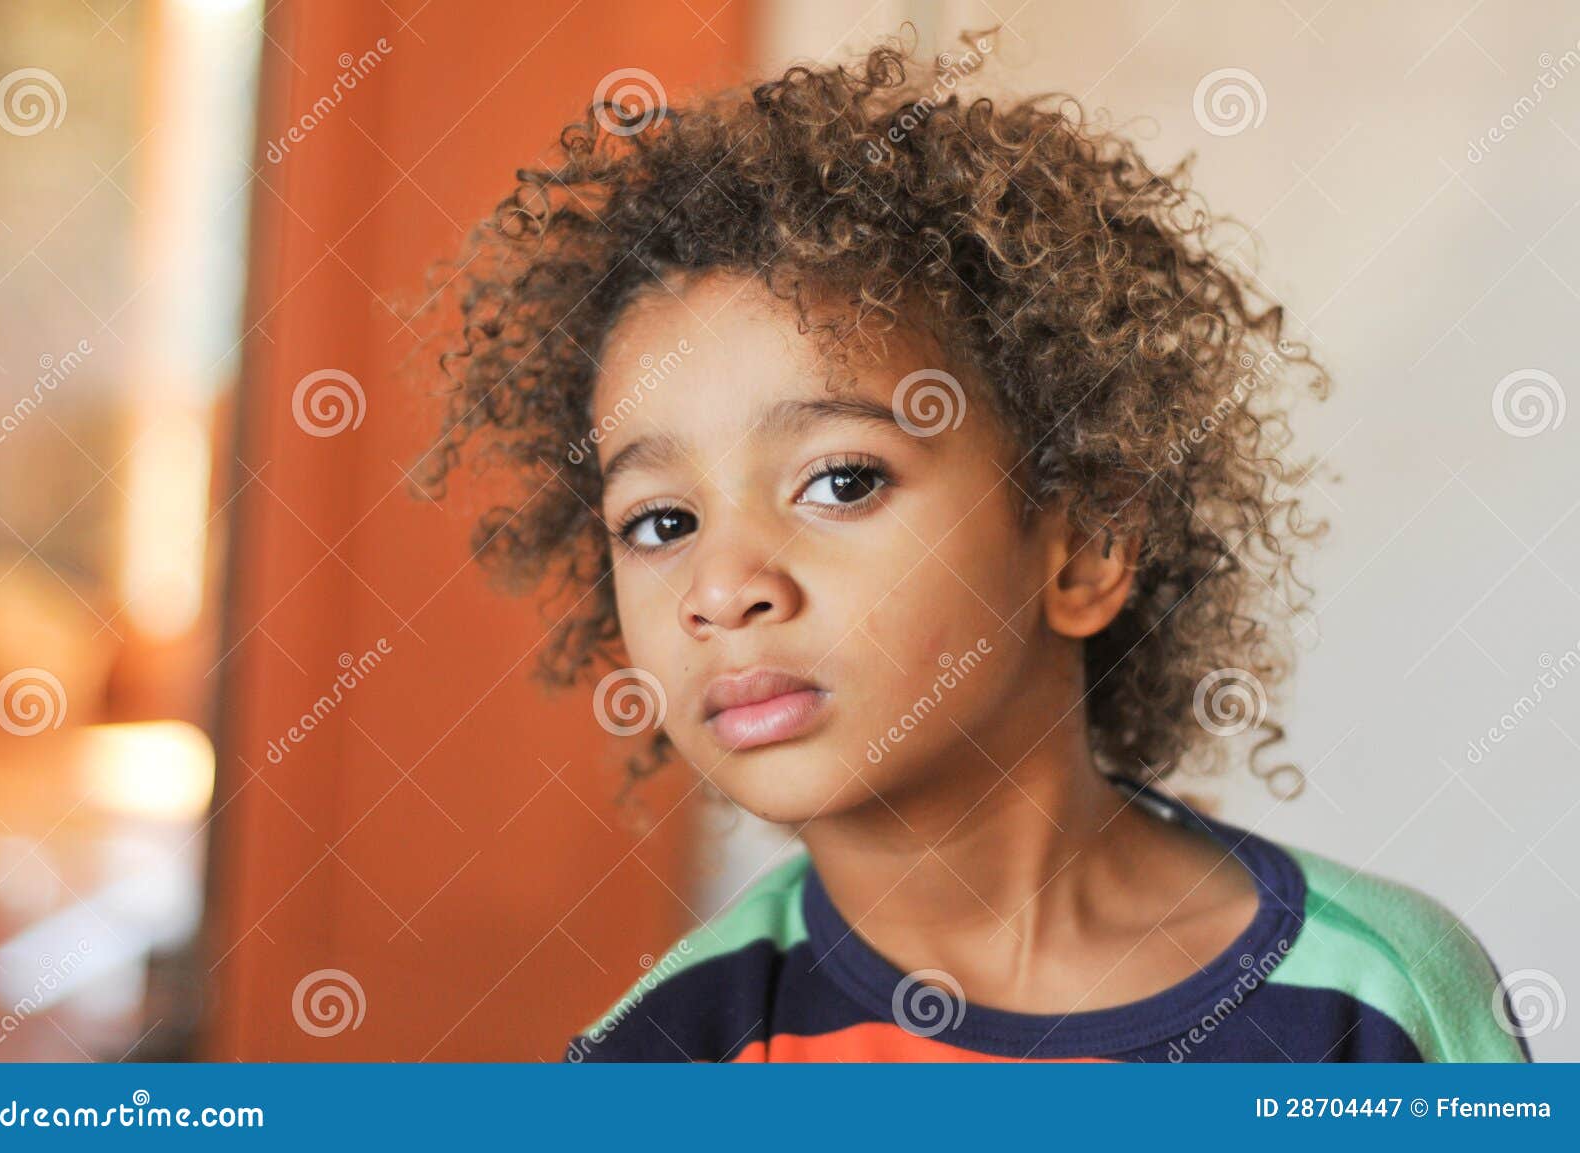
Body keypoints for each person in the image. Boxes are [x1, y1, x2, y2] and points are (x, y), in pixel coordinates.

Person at [420, 34, 1531, 1063]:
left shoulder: (1377, 1005)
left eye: (840, 481)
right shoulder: (670, 1055)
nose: (723, 588)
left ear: (1083, 543)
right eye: (662, 522)